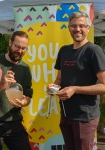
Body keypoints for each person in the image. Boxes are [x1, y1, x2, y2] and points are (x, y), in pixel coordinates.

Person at [47, 11, 105, 150]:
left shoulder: (93, 50)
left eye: (81, 26)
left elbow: (103, 86)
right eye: (73, 26)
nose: (77, 29)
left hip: (85, 116)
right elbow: (59, 78)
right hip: (66, 114)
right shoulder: (64, 51)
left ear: (88, 28)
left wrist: (75, 89)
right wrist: (53, 87)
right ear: (69, 28)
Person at [0, 31, 33, 150]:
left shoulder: (25, 68)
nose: (20, 51)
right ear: (10, 43)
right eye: (17, 46)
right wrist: (2, 85)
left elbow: (28, 93)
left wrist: (24, 102)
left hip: (13, 121)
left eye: (23, 48)